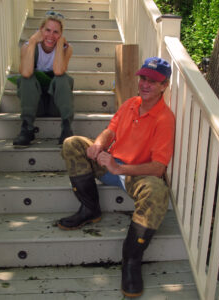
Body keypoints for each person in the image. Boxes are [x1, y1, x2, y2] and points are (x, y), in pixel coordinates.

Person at [58, 57, 175, 298]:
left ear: (164, 85)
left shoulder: (165, 119)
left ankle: (131, 260)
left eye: (153, 81)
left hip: (133, 174)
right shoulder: (131, 103)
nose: (145, 84)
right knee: (73, 144)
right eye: (143, 78)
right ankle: (90, 209)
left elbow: (158, 168)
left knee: (157, 191)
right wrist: (98, 146)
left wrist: (120, 169)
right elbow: (110, 130)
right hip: (109, 165)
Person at [13, 11, 74, 146]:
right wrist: (33, 41)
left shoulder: (66, 49)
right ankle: (27, 128)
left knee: (63, 78)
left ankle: (66, 128)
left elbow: (58, 71)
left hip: (56, 105)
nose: (51, 35)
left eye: (56, 32)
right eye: (47, 30)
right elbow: (26, 73)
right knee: (25, 80)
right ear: (40, 30)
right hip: (35, 105)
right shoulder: (27, 47)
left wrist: (59, 45)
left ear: (61, 34)